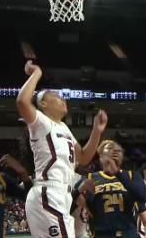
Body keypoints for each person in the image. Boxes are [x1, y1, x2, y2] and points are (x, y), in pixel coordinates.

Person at [16, 60, 108, 237]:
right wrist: (37, 73)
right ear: (43, 104)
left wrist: (96, 130)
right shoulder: (41, 122)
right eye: (56, 96)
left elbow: (84, 158)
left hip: (62, 195)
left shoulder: (64, 128)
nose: (62, 98)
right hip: (49, 192)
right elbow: (22, 101)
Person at [75, 140, 146, 238]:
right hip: (102, 234)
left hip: (128, 234)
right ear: (101, 157)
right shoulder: (90, 178)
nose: (114, 151)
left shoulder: (131, 175)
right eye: (109, 148)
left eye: (116, 149)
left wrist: (117, 172)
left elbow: (143, 197)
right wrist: (80, 190)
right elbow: (70, 202)